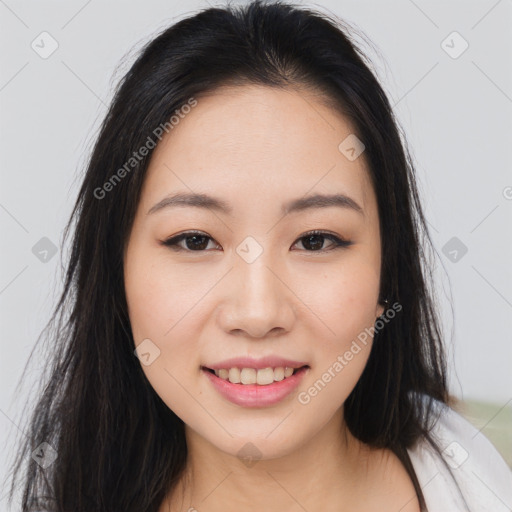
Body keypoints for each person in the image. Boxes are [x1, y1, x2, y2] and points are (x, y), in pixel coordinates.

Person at [7, 1, 512, 511]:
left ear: (389, 272)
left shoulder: (485, 477)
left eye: (315, 240)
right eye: (194, 240)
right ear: (116, 274)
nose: (257, 313)